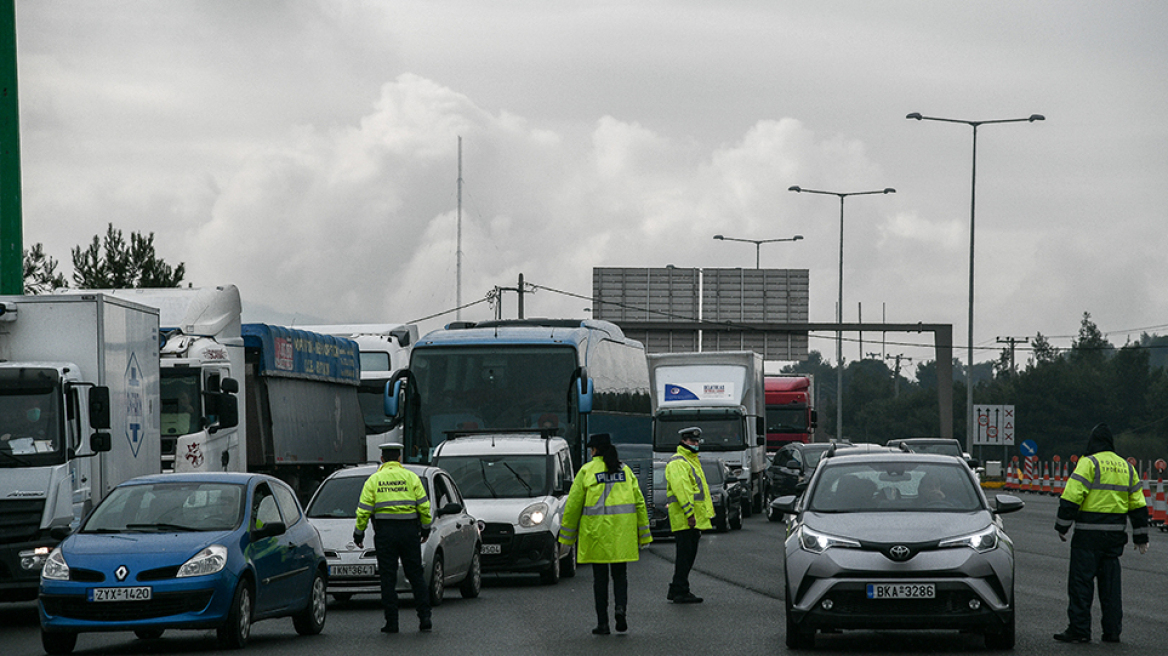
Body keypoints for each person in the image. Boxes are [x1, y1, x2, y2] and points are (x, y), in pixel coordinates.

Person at [1054, 423, 1150, 644]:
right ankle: (1112, 632)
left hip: (1087, 537)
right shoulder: (1126, 467)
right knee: (1111, 589)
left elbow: (1072, 496)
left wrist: (1062, 525)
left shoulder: (1089, 463)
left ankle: (1079, 631)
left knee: (1081, 585)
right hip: (1114, 538)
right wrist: (1141, 537)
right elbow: (1138, 505)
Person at [558, 433, 652, 635]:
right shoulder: (625, 471)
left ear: (594, 450)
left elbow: (573, 507)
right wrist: (644, 535)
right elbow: (639, 503)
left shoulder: (587, 471)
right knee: (620, 576)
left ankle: (603, 623)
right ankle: (621, 610)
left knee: (600, 580)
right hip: (622, 534)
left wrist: (566, 539)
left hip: (596, 534)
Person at [354, 440, 433, 634]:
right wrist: (425, 528)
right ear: (399, 458)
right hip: (409, 532)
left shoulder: (373, 480)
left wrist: (359, 531)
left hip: (385, 533)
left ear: (382, 459)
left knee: (387, 577)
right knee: (415, 574)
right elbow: (424, 505)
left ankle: (392, 623)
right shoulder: (411, 477)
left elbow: (364, 509)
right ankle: (424, 618)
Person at [665, 426, 713, 604]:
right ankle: (679, 590)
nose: (695, 444)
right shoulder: (679, 462)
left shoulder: (691, 460)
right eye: (692, 441)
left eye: (697, 441)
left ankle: (677, 588)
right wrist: (689, 513)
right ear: (683, 441)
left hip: (690, 519)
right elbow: (682, 490)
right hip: (685, 518)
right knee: (684, 557)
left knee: (687, 557)